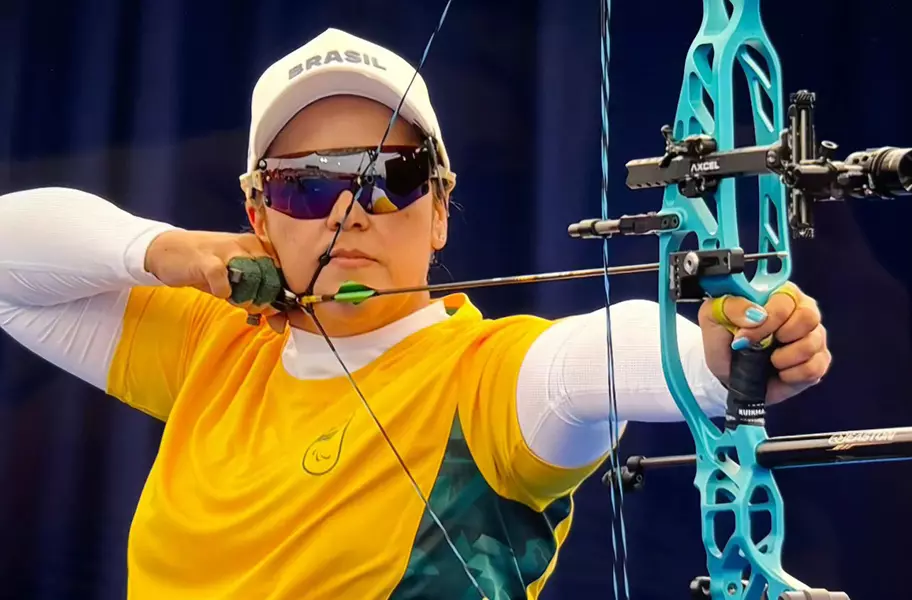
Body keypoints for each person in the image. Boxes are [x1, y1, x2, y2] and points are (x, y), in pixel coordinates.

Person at [0, 27, 831, 600]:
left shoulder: (480, 380)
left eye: (389, 176)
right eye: (305, 182)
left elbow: (594, 362)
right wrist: (171, 252)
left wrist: (719, 363)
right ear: (259, 216)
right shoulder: (216, 345)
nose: (346, 212)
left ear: (438, 211)